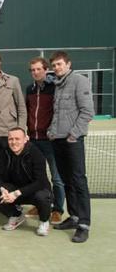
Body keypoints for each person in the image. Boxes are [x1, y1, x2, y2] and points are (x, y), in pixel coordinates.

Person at [47, 51, 94, 243]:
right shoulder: (58, 84)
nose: (57, 68)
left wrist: (74, 134)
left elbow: (87, 111)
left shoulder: (79, 81)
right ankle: (74, 217)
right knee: (66, 180)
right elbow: (58, 113)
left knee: (78, 181)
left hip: (72, 141)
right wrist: (51, 130)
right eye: (54, 65)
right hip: (57, 140)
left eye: (59, 64)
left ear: (68, 64)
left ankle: (83, 225)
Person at [0, 127, 52, 236]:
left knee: (43, 196)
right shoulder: (4, 152)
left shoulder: (36, 153)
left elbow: (40, 182)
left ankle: (44, 221)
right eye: (11, 139)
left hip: (33, 190)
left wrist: (16, 193)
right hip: (12, 189)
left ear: (25, 139)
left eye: (17, 139)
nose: (13, 142)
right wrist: (2, 189)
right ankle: (15, 216)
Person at [25, 57, 64, 224]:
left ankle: (58, 209)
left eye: (38, 69)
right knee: (37, 176)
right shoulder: (29, 89)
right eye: (32, 70)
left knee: (57, 178)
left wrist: (52, 131)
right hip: (33, 139)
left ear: (45, 69)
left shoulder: (54, 87)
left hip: (50, 140)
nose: (35, 72)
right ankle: (40, 204)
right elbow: (28, 110)